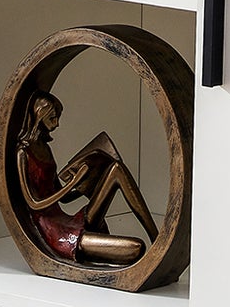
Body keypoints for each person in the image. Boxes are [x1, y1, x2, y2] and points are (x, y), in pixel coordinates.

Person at [12, 90, 158, 266]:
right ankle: (92, 254)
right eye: (52, 118)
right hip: (56, 233)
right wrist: (73, 182)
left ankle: (157, 238)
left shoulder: (45, 149)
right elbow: (33, 203)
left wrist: (86, 179)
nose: (57, 124)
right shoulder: (23, 153)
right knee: (136, 248)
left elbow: (64, 198)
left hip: (70, 221)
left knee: (116, 169)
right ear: (38, 117)